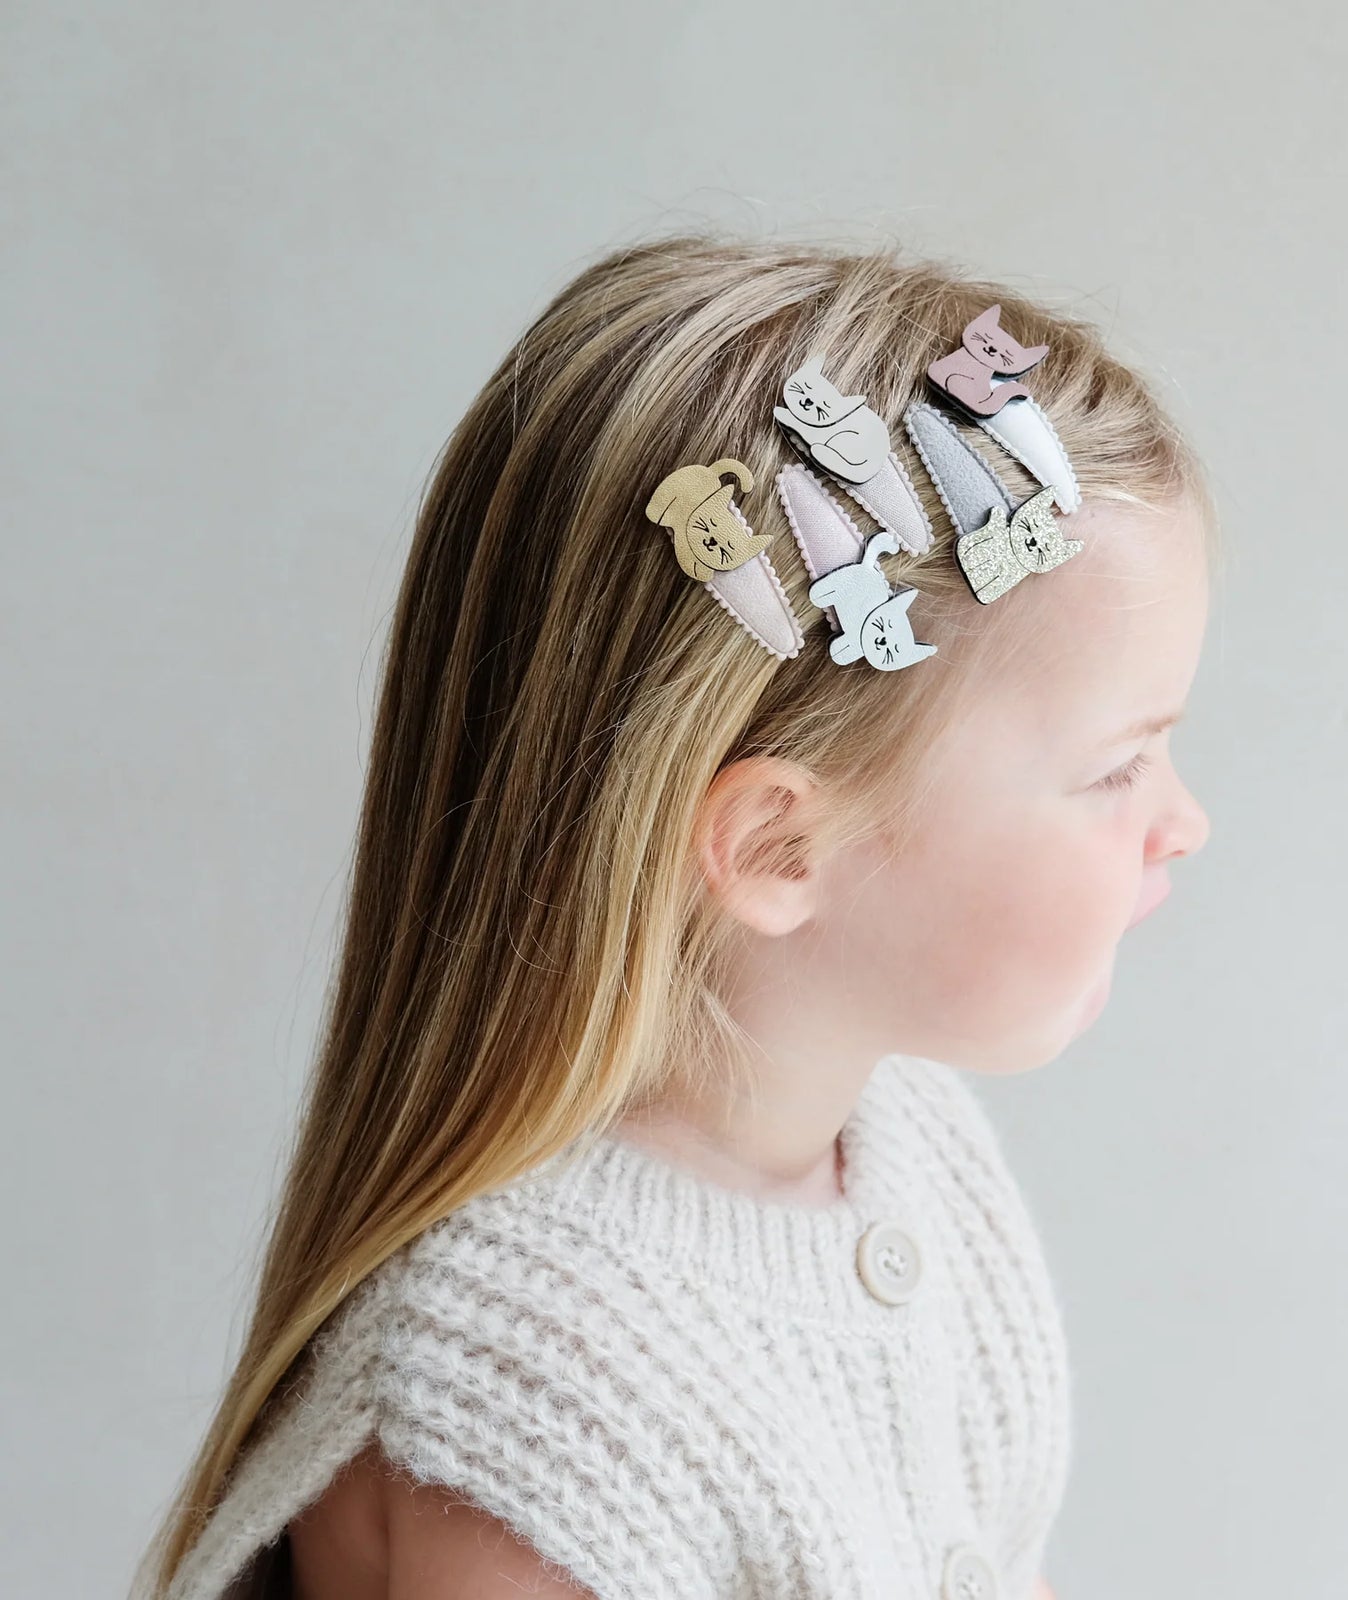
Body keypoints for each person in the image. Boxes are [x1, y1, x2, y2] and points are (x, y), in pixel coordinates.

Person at [132, 230, 1215, 1600]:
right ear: (780, 845)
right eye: (1119, 767)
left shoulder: (907, 1144)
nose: (1184, 823)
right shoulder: (533, 1389)